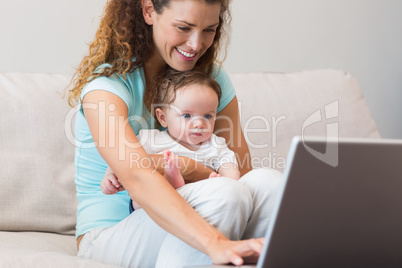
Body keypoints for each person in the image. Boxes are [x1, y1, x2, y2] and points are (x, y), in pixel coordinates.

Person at [68, 0, 282, 267]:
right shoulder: (106, 88)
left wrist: (189, 169)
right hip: (110, 235)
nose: (195, 44)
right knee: (224, 194)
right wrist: (214, 239)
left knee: (270, 183)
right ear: (148, 11)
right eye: (184, 27)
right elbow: (137, 175)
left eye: (209, 30)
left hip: (205, 206)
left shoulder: (210, 79)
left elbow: (242, 173)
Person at [101, 68, 241, 211]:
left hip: (196, 205)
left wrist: (224, 183)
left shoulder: (215, 145)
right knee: (141, 196)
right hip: (156, 208)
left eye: (207, 116)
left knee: (214, 195)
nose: (199, 124)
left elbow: (231, 171)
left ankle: (177, 183)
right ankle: (170, 180)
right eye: (187, 116)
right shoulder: (151, 140)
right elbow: (121, 158)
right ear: (163, 118)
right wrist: (110, 176)